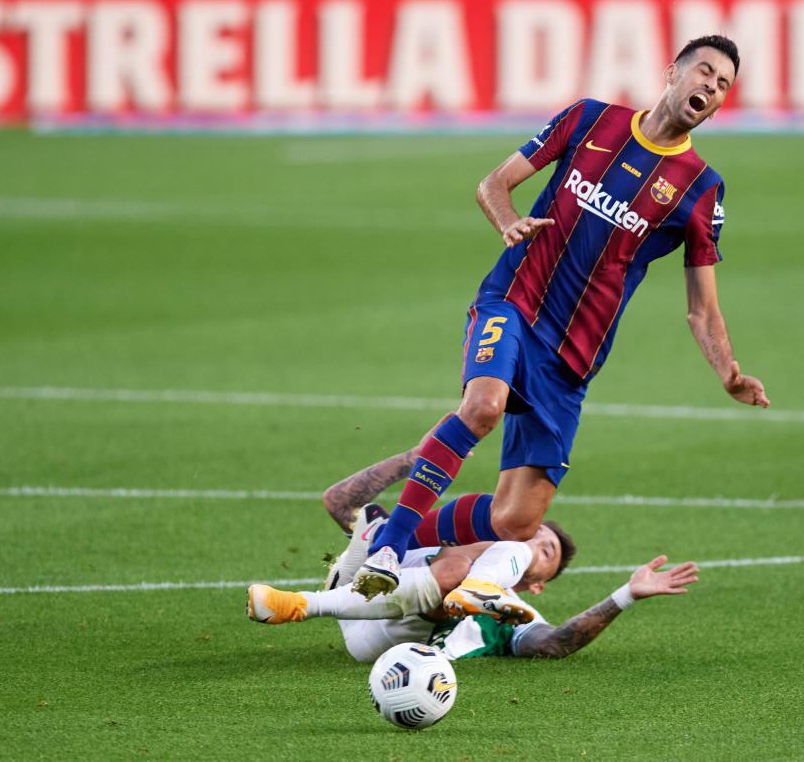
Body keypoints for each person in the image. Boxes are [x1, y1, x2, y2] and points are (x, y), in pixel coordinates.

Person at [352, 34, 769, 600]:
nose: (710, 88)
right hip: (515, 302)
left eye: (723, 85)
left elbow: (703, 307)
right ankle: (387, 549)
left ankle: (382, 529)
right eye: (704, 73)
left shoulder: (700, 188)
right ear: (672, 71)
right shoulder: (589, 119)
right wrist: (507, 222)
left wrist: (729, 372)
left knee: (516, 521)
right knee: (483, 406)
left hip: (573, 357)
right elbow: (493, 183)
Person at [247, 509, 699, 663]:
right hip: (368, 606)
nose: (533, 543)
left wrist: (626, 594)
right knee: (383, 523)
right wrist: (419, 457)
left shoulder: (522, 609)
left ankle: (316, 594)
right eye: (535, 535)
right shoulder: (467, 543)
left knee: (473, 563)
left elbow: (555, 643)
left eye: (547, 552)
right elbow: (339, 500)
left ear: (538, 586)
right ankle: (348, 571)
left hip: (392, 641)